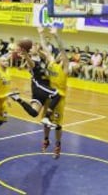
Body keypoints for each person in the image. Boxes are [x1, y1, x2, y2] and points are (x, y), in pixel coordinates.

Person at [9, 27, 61, 128]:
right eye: (32, 47)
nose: (35, 47)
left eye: (35, 46)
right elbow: (30, 62)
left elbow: (46, 53)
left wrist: (41, 35)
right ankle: (46, 117)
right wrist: (25, 54)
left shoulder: (42, 58)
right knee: (57, 94)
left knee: (34, 113)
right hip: (39, 86)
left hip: (42, 88)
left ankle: (17, 98)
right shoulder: (31, 61)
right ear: (28, 50)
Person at [41, 27, 69, 159]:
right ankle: (46, 139)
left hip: (60, 100)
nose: (61, 56)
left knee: (57, 125)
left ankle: (58, 144)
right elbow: (44, 47)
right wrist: (41, 33)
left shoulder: (65, 69)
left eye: (62, 56)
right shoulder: (51, 63)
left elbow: (62, 50)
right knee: (46, 121)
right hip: (49, 97)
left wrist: (57, 36)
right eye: (59, 55)